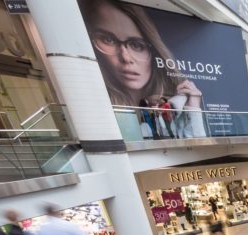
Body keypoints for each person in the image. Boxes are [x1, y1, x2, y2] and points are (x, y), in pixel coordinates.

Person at [79, 0, 206, 138]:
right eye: (108, 40)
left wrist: (193, 107)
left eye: (137, 45)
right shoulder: (94, 106)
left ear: (154, 52)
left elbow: (196, 141)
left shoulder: (172, 104)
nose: (126, 58)